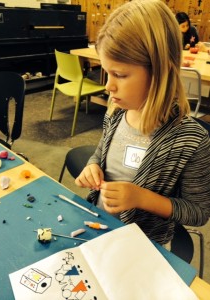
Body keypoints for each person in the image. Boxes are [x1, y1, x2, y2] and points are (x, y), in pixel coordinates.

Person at [75, 0, 210, 246]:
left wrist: (141, 198)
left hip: (145, 245)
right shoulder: (115, 112)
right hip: (99, 225)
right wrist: (92, 166)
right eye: (107, 72)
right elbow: (100, 154)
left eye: (120, 75)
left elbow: (198, 212)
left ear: (160, 71)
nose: (108, 86)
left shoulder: (191, 139)